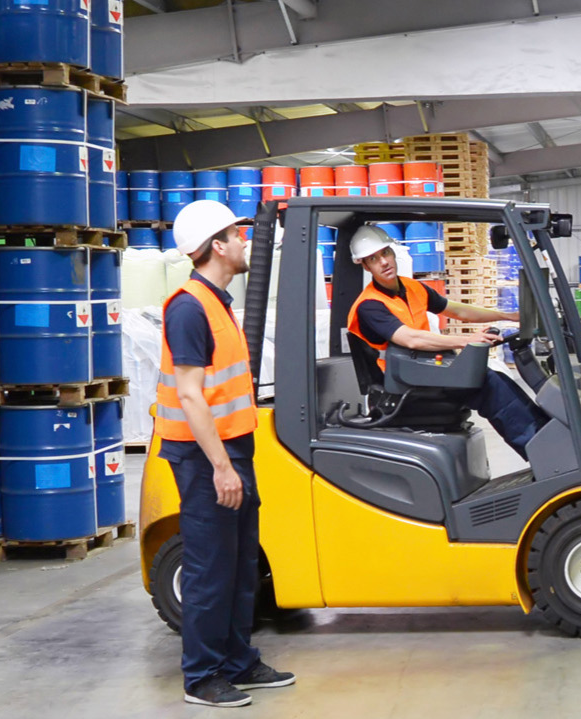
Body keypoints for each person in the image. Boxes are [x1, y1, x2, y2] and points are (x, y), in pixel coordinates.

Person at [157, 199, 292, 708]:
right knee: (210, 568)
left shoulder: (218, 302)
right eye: (237, 235)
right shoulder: (189, 307)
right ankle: (201, 676)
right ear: (217, 245)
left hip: (234, 446)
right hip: (203, 457)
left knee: (238, 564)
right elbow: (191, 396)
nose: (244, 242)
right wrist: (221, 467)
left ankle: (238, 662)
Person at [341, 224, 545, 453]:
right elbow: (411, 339)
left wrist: (507, 316)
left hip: (419, 370)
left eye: (385, 253)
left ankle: (543, 433)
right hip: (399, 386)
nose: (383, 262)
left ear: (392, 252)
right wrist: (466, 341)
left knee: (495, 377)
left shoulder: (412, 288)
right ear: (366, 266)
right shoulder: (370, 305)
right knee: (486, 383)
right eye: (373, 259)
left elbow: (459, 311)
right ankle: (539, 449)